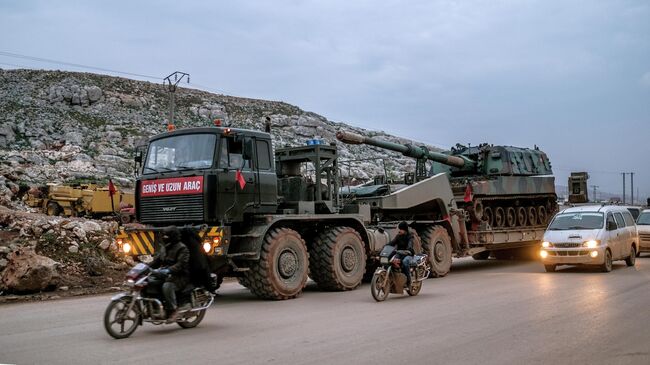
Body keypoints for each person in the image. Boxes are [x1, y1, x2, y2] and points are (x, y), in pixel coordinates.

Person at [150, 227, 190, 322]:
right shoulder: (165, 247)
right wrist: (145, 267)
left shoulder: (182, 248)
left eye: (167, 236)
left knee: (167, 286)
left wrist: (168, 270)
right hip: (165, 273)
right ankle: (155, 306)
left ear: (173, 236)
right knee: (149, 281)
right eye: (163, 235)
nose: (164, 237)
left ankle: (173, 309)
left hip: (180, 276)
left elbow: (180, 265)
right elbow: (157, 261)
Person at [389, 221, 415, 286]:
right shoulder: (398, 236)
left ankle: (409, 280)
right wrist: (384, 248)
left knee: (405, 262)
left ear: (405, 229)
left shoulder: (410, 236)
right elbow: (392, 243)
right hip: (399, 253)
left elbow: (410, 245)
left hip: (408, 254)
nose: (400, 230)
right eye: (399, 229)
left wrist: (408, 250)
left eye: (401, 229)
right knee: (392, 261)